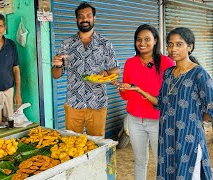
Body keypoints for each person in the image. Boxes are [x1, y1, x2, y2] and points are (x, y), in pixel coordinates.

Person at [125, 27, 213, 179]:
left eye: (179, 44)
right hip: (167, 134)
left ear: (190, 47)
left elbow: (210, 105)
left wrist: (194, 124)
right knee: (169, 171)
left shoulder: (199, 74)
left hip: (188, 136)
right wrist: (139, 90)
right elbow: (161, 102)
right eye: (170, 44)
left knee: (189, 173)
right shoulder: (168, 73)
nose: (173, 49)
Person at [51, 2, 120, 137]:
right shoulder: (67, 44)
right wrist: (58, 65)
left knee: (97, 145)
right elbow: (56, 75)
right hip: (73, 103)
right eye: (81, 16)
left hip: (97, 102)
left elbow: (116, 69)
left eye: (88, 16)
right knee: (72, 144)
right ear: (76, 19)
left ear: (94, 18)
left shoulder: (104, 43)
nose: (85, 19)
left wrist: (106, 73)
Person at [118, 24, 174, 180]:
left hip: (159, 120)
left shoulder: (167, 63)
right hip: (135, 120)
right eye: (138, 39)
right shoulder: (130, 63)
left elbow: (172, 94)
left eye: (147, 39)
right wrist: (122, 88)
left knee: (161, 161)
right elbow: (127, 95)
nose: (142, 43)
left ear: (155, 40)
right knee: (140, 161)